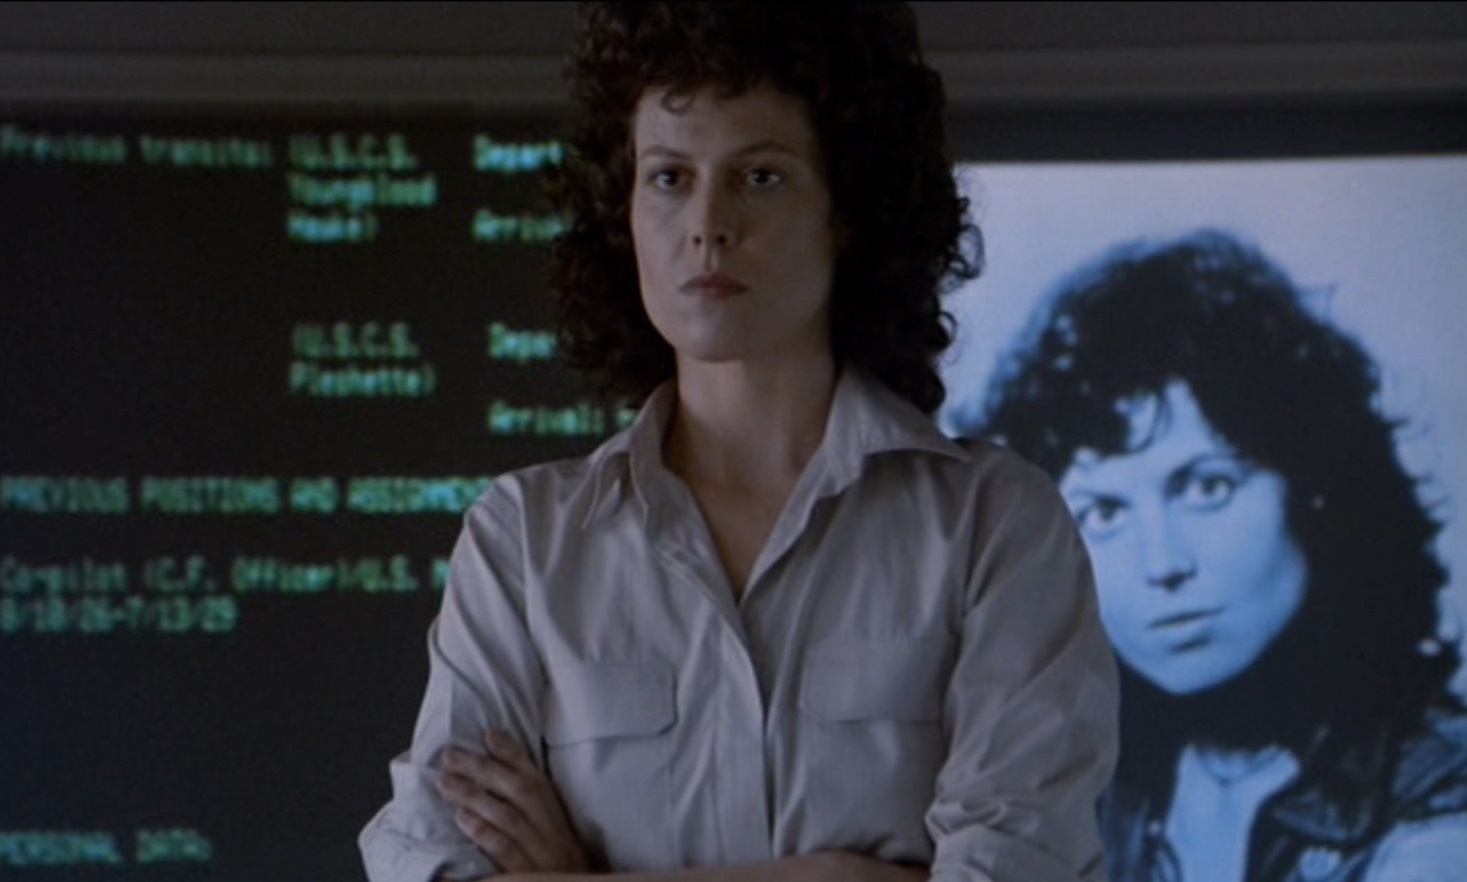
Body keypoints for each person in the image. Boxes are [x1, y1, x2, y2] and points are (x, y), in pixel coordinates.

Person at [360, 4, 1118, 881]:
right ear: (624, 213)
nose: (707, 224)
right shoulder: (523, 541)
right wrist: (833, 877)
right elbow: (425, 860)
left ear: (846, 210)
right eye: (668, 177)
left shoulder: (994, 527)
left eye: (760, 176)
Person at [973, 229, 1467, 882]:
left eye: (1207, 488)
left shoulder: (1440, 810)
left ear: (1314, 489)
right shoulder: (1084, 777)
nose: (1163, 564)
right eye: (1104, 513)